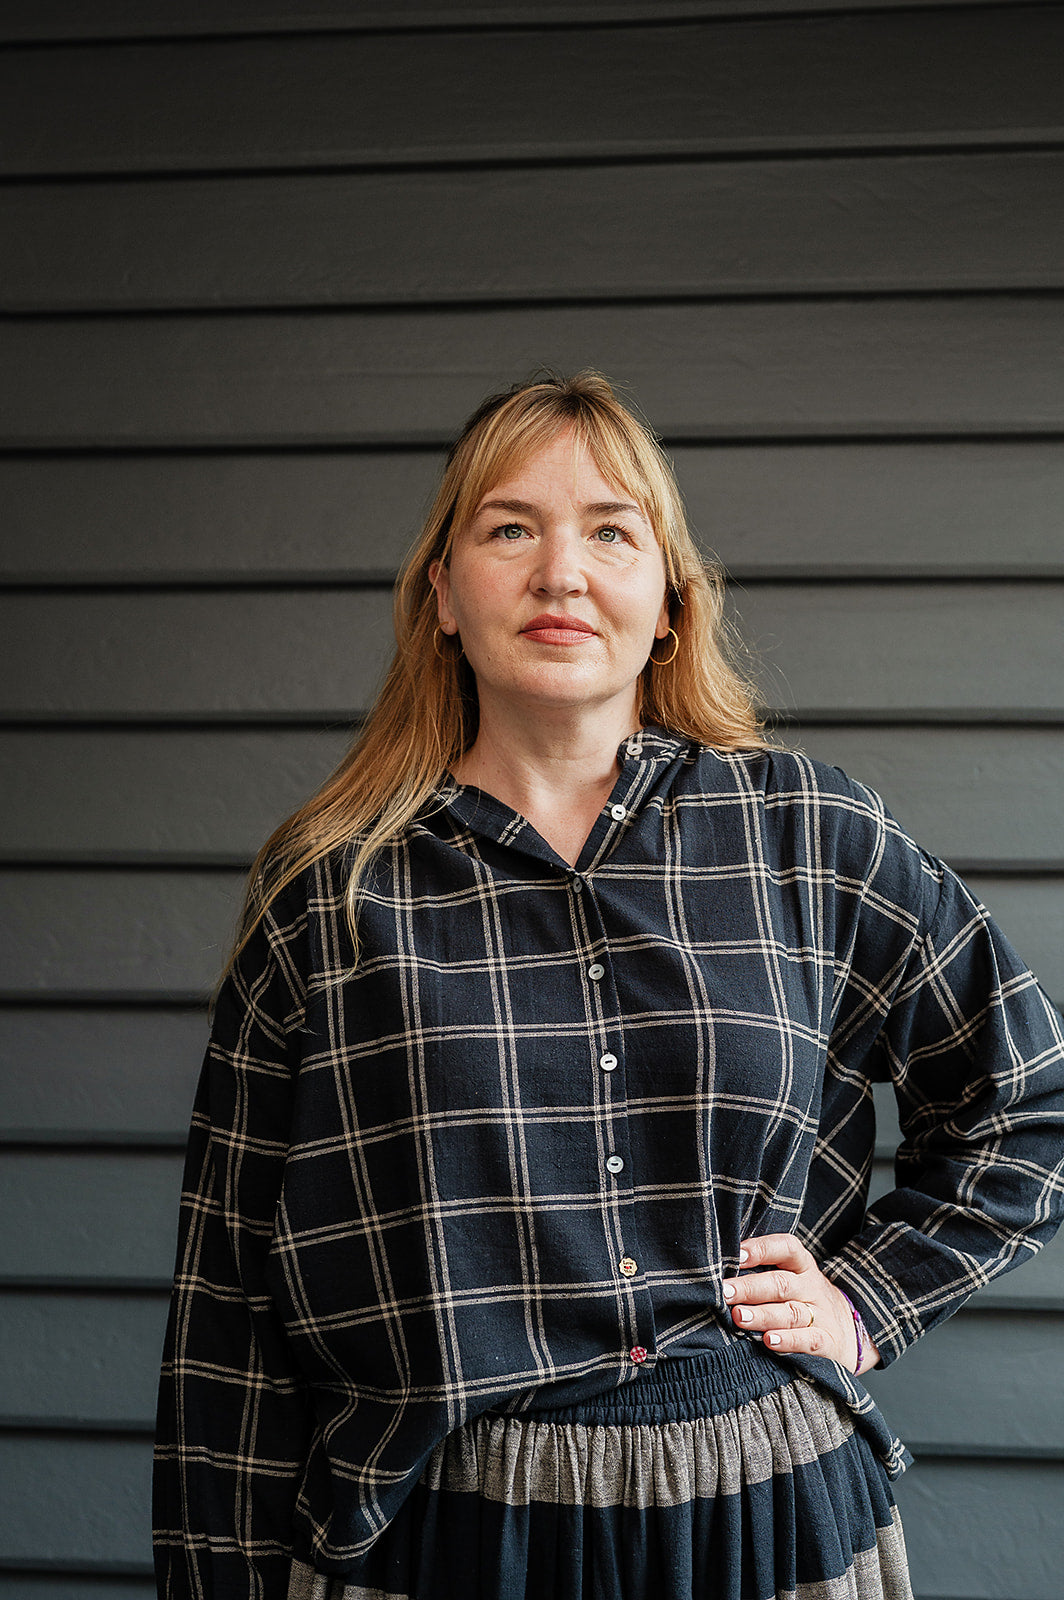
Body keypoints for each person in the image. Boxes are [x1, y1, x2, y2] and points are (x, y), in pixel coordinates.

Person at [153, 372, 1064, 1600]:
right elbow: (229, 1306)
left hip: (767, 1517)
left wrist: (865, 1303)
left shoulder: (807, 835)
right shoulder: (330, 893)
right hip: (446, 1533)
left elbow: (1027, 1104)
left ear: (670, 604)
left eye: (610, 531)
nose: (560, 572)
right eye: (509, 526)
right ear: (440, 593)